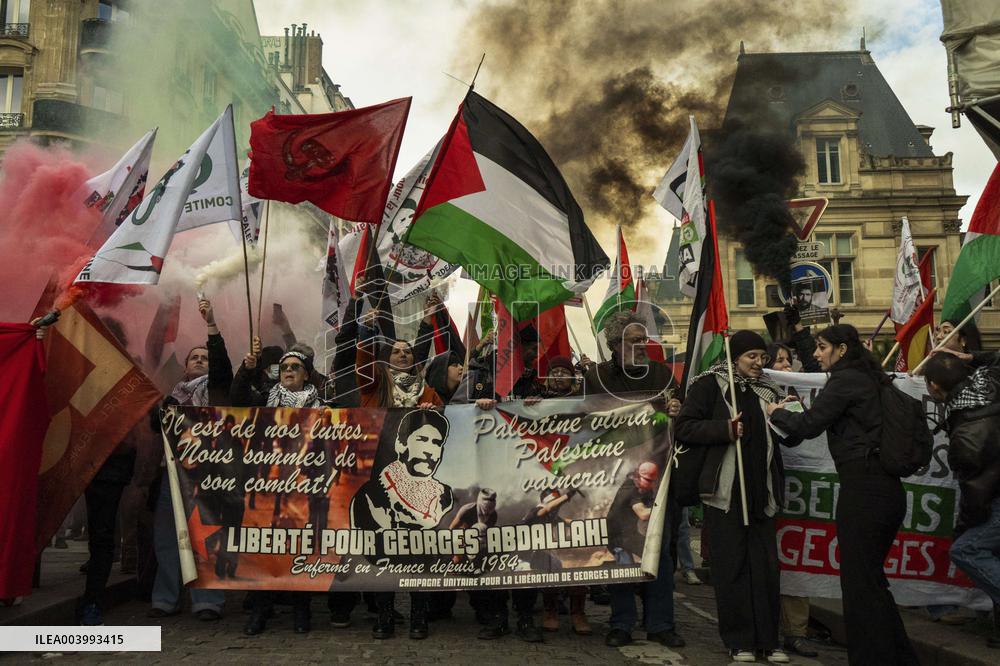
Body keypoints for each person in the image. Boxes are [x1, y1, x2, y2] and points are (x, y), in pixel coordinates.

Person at [768, 324, 919, 665]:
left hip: (865, 492)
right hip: (882, 492)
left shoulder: (846, 380)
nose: (817, 354)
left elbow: (808, 425)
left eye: (822, 347)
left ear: (842, 350)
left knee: (860, 587)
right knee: (871, 583)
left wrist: (774, 412)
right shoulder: (867, 377)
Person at [675, 330, 798, 663]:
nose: (759, 364)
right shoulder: (709, 385)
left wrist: (785, 414)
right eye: (751, 357)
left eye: (762, 357)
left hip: (763, 492)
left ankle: (770, 642)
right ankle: (739, 640)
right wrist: (725, 429)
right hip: (725, 494)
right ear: (734, 359)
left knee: (766, 569)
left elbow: (790, 435)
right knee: (732, 569)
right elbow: (684, 426)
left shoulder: (770, 389)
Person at [584, 311, 684, 650]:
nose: (643, 345)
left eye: (644, 339)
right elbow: (577, 420)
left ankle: (661, 623)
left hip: (658, 478)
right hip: (613, 479)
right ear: (615, 344)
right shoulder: (596, 377)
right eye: (634, 340)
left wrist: (676, 408)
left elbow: (683, 411)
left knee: (660, 551)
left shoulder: (661, 373)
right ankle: (621, 622)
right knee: (621, 549)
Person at [147, 298, 229, 622]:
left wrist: (211, 326)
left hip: (209, 475)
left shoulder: (219, 391)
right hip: (173, 474)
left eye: (205, 358)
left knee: (206, 536)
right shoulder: (174, 397)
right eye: (194, 357)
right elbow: (157, 428)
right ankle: (165, 597)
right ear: (185, 367)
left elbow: (222, 368)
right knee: (168, 535)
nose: (200, 360)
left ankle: (207, 600)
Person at [233, 347, 323, 636]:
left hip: (304, 486)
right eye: (285, 366)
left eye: (296, 366)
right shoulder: (265, 400)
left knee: (299, 546)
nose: (289, 370)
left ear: (306, 374)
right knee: (265, 548)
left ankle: (301, 609)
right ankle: (260, 609)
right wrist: (247, 369)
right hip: (267, 486)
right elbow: (236, 399)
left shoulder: (322, 406)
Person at [350, 409, 451, 640]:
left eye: (436, 442)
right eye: (421, 439)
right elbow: (368, 555)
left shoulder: (445, 497)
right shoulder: (371, 495)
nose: (429, 450)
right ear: (401, 444)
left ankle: (419, 615)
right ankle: (384, 614)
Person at [924, 352, 1000, 649]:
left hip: (995, 499)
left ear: (933, 388)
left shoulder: (964, 439)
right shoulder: (992, 378)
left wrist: (963, 528)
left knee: (966, 549)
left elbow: (975, 498)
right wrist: (973, 357)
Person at [763, 341, 820, 659]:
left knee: (797, 559)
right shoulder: (756, 396)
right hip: (771, 489)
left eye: (788, 361)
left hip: (801, 492)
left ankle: (796, 631)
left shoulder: (797, 396)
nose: (786, 367)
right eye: (779, 361)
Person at [521, 489, 591, 636]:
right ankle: (550, 612)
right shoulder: (536, 511)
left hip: (547, 556)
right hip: (529, 559)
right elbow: (547, 508)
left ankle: (578, 614)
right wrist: (568, 495)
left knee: (577, 570)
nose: (558, 505)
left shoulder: (552, 516)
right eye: (556, 501)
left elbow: (567, 522)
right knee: (551, 569)